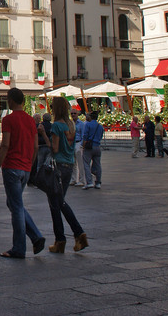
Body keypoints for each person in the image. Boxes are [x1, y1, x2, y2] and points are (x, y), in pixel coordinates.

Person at [0, 88, 45, 259]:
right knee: (15, 204)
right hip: (25, 168)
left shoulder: (8, 119)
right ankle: (36, 237)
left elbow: (5, 145)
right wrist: (30, 164)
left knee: (15, 208)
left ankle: (20, 248)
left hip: (12, 167)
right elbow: (35, 146)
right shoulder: (31, 120)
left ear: (12, 101)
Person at [46, 97, 88, 253]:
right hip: (69, 165)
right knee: (58, 202)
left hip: (58, 166)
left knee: (55, 203)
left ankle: (63, 239)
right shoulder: (71, 124)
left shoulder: (56, 126)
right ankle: (74, 236)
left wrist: (44, 135)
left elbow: (55, 148)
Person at [82, 111, 104, 190]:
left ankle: (89, 182)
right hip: (97, 146)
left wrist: (83, 146)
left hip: (89, 146)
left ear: (91, 117)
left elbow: (85, 136)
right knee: (98, 164)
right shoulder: (100, 126)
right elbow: (101, 136)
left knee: (86, 164)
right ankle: (98, 182)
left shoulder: (88, 125)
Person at [71, 110, 86, 186]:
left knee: (80, 163)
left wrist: (81, 144)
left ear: (77, 114)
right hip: (72, 144)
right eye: (72, 113)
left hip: (78, 142)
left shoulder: (81, 124)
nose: (73, 115)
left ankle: (81, 180)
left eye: (74, 113)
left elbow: (83, 134)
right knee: (72, 163)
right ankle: (73, 179)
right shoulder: (70, 123)